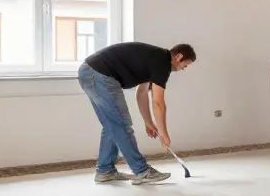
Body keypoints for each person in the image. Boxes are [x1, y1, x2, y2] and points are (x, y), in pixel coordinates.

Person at [77, 42, 196, 184]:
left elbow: (142, 93)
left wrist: (148, 122)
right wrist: (163, 133)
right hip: (99, 74)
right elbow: (158, 103)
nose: (185, 67)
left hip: (90, 72)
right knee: (120, 123)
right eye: (186, 64)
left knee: (112, 124)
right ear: (179, 56)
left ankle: (105, 171)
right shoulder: (162, 63)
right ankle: (142, 171)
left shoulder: (155, 59)